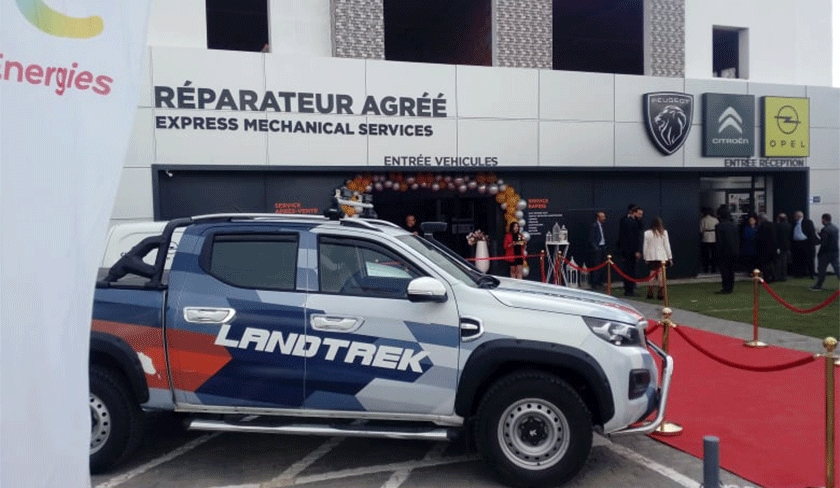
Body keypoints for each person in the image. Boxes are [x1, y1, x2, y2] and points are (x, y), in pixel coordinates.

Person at [642, 216, 673, 300]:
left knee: (652, 273)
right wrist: (670, 257)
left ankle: (650, 291)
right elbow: (667, 245)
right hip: (661, 256)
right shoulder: (664, 233)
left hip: (651, 256)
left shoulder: (647, 233)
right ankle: (660, 292)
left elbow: (645, 246)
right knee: (660, 274)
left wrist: (645, 257)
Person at [618, 204, 643, 296]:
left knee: (629, 269)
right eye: (638, 214)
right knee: (630, 270)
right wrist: (636, 250)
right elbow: (632, 238)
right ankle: (629, 290)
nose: (640, 216)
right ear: (634, 213)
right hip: (630, 250)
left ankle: (629, 288)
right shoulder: (630, 222)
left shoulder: (627, 221)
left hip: (626, 250)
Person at [811, 213, 839, 291]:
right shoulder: (835, 228)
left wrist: (816, 238)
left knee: (821, 269)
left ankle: (818, 285)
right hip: (835, 251)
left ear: (824, 219)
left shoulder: (825, 229)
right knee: (837, 268)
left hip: (825, 252)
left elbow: (823, 241)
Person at [714, 207, 739, 294]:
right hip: (734, 251)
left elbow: (719, 241)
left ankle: (726, 287)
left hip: (724, 252)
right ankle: (730, 286)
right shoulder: (734, 225)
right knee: (731, 270)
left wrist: (718, 252)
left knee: (724, 270)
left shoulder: (719, 226)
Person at [790, 211, 819, 278]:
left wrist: (812, 242)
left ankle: (811, 273)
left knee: (809, 259)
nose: (794, 217)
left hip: (806, 243)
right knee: (798, 259)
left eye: (795, 216)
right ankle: (799, 274)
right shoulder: (794, 223)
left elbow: (811, 232)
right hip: (797, 243)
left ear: (799, 216)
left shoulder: (808, 222)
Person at [588, 211, 608, 289]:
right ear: (598, 217)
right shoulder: (594, 226)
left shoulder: (602, 226)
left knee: (602, 266)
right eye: (602, 217)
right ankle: (594, 282)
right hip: (597, 248)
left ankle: (600, 281)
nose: (604, 218)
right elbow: (591, 238)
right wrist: (595, 247)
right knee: (596, 265)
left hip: (603, 247)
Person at [755, 213, 777, 282]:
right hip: (772, 247)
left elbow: (760, 237)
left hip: (764, 247)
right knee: (771, 263)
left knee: (765, 264)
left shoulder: (762, 226)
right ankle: (773, 276)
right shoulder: (772, 225)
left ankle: (767, 277)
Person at [699, 207, 719, 274]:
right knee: (714, 254)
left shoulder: (703, 220)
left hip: (706, 237)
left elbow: (701, 230)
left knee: (705, 255)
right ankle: (713, 269)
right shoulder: (715, 219)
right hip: (714, 237)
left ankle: (706, 269)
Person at [774, 212, 792, 282]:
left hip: (779, 245)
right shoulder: (789, 225)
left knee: (779, 261)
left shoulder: (778, 226)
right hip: (787, 245)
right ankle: (784, 275)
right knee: (784, 261)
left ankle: (778, 275)